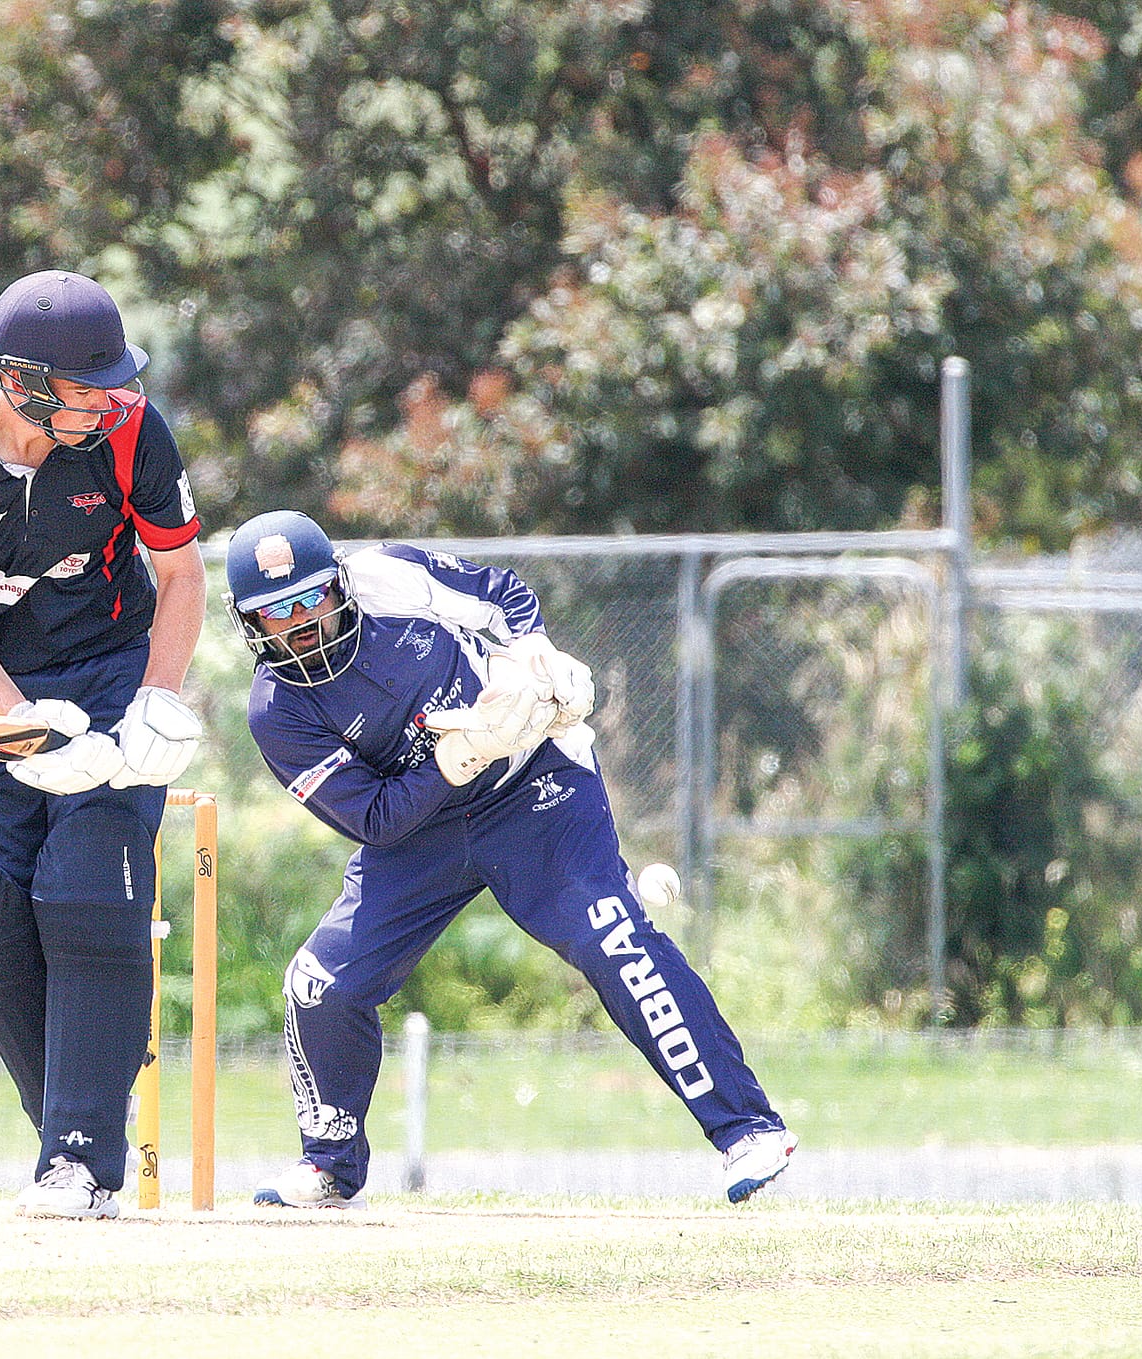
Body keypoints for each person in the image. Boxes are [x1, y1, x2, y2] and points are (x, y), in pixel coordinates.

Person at [224, 509, 795, 1209]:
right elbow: (375, 818)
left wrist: (535, 658)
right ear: (248, 623)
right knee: (319, 985)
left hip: (533, 784)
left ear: (339, 582)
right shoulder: (276, 712)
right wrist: (460, 754)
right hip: (418, 829)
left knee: (611, 939)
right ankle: (329, 1166)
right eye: (275, 611)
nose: (300, 623)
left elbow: (502, 593)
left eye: (310, 597)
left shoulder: (386, 575)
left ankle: (748, 1129)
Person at [0, 270, 206, 1218]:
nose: (112, 401)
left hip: (112, 667)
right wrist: (24, 724)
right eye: (87, 387)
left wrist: (154, 699)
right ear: (20, 382)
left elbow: (181, 575)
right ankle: (76, 1126)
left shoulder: (133, 432)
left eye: (117, 382)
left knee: (87, 885)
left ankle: (79, 1159)